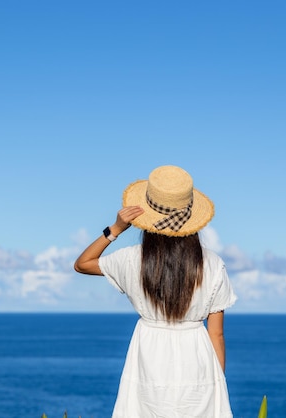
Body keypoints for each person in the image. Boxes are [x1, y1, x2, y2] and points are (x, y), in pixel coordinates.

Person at [74, 165, 237, 418]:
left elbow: (82, 264)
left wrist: (115, 229)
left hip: (149, 353)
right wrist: (218, 382)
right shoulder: (213, 264)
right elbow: (216, 334)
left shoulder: (132, 260)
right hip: (197, 357)